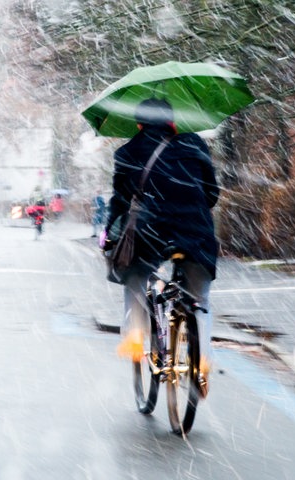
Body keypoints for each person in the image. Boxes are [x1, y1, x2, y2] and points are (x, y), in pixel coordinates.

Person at [101, 98, 219, 398]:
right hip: (195, 230)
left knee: (135, 279)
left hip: (148, 231)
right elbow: (212, 194)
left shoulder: (127, 152)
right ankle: (201, 362)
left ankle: (137, 336)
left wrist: (109, 233)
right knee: (199, 298)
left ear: (138, 124)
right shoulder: (194, 145)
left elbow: (119, 201)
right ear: (173, 121)